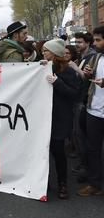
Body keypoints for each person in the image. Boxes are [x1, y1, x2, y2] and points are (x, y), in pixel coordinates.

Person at [41, 40, 81, 199]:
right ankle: (43, 182)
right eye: (43, 51)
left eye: (46, 51)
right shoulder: (45, 67)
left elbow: (73, 94)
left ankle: (62, 183)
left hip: (60, 118)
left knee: (58, 151)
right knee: (44, 151)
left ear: (55, 53)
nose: (43, 53)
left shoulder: (69, 71)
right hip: (44, 117)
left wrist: (58, 82)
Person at [77, 26, 104, 196]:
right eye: (94, 40)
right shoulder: (97, 57)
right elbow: (88, 78)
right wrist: (87, 73)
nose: (95, 43)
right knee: (93, 149)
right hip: (94, 110)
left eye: (98, 40)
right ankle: (95, 185)